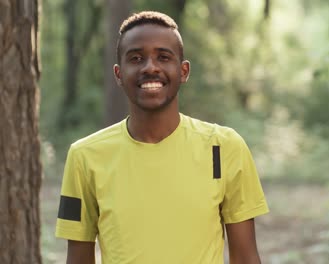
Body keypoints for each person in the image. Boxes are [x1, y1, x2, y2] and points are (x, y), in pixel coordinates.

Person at [55, 11, 269, 264]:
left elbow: (245, 257)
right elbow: (78, 259)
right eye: (136, 58)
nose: (150, 67)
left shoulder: (223, 147)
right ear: (118, 74)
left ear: (184, 71)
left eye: (163, 57)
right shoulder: (84, 156)